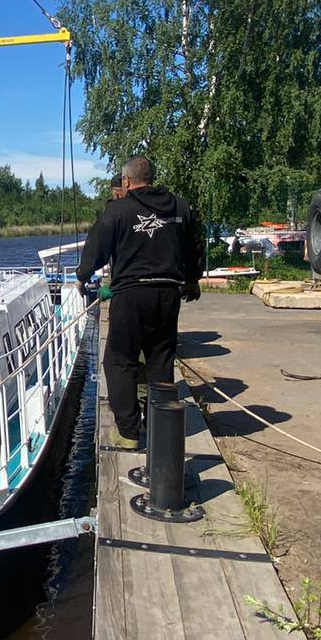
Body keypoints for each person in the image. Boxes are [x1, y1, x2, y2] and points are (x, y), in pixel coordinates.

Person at [75, 156, 204, 449]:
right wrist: (193, 279)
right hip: (168, 294)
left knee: (119, 361)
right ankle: (159, 428)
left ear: (127, 182)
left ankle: (129, 432)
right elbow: (195, 245)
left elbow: (95, 247)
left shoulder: (118, 211)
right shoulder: (180, 207)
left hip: (131, 295)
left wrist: (82, 276)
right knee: (161, 360)